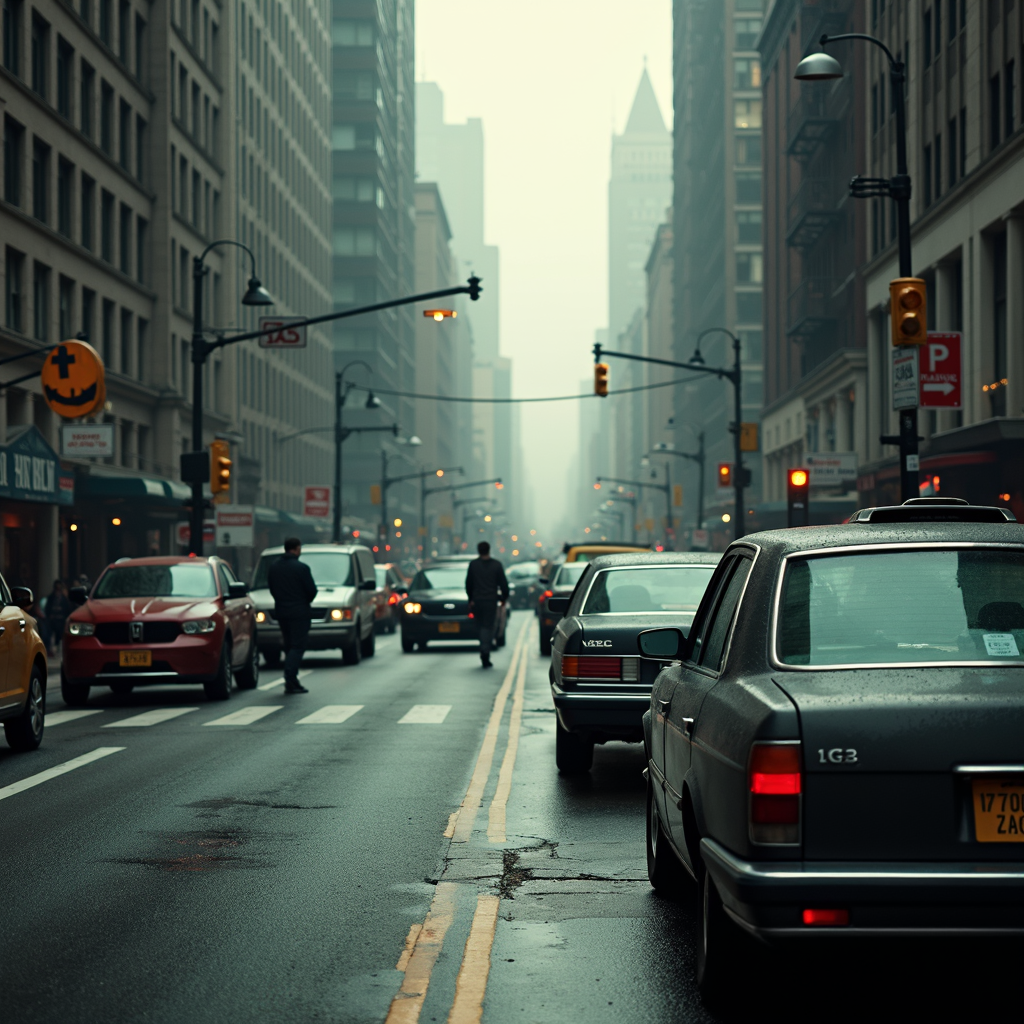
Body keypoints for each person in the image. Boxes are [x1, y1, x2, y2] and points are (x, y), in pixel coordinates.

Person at [268, 537, 317, 694]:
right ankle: (290, 678)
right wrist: (303, 602)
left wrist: (281, 601)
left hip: (282, 611)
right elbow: (312, 590)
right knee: (298, 646)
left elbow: (272, 588)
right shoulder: (301, 568)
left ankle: (293, 679)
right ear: (297, 549)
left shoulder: (274, 567)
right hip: (300, 612)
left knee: (289, 644)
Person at [466, 541, 509, 668]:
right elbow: (503, 584)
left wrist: (471, 599)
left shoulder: (473, 565)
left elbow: (469, 583)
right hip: (490, 601)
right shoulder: (496, 565)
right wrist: (503, 598)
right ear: (489, 550)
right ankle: (485, 651)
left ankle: (483, 647)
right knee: (488, 626)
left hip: (477, 601)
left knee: (480, 626)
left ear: (479, 551)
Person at [43, 580, 72, 656]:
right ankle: (51, 649)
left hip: (61, 620)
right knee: (50, 635)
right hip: (52, 620)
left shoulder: (64, 599)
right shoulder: (51, 598)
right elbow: (47, 608)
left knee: (59, 636)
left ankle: (56, 649)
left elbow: (67, 609)